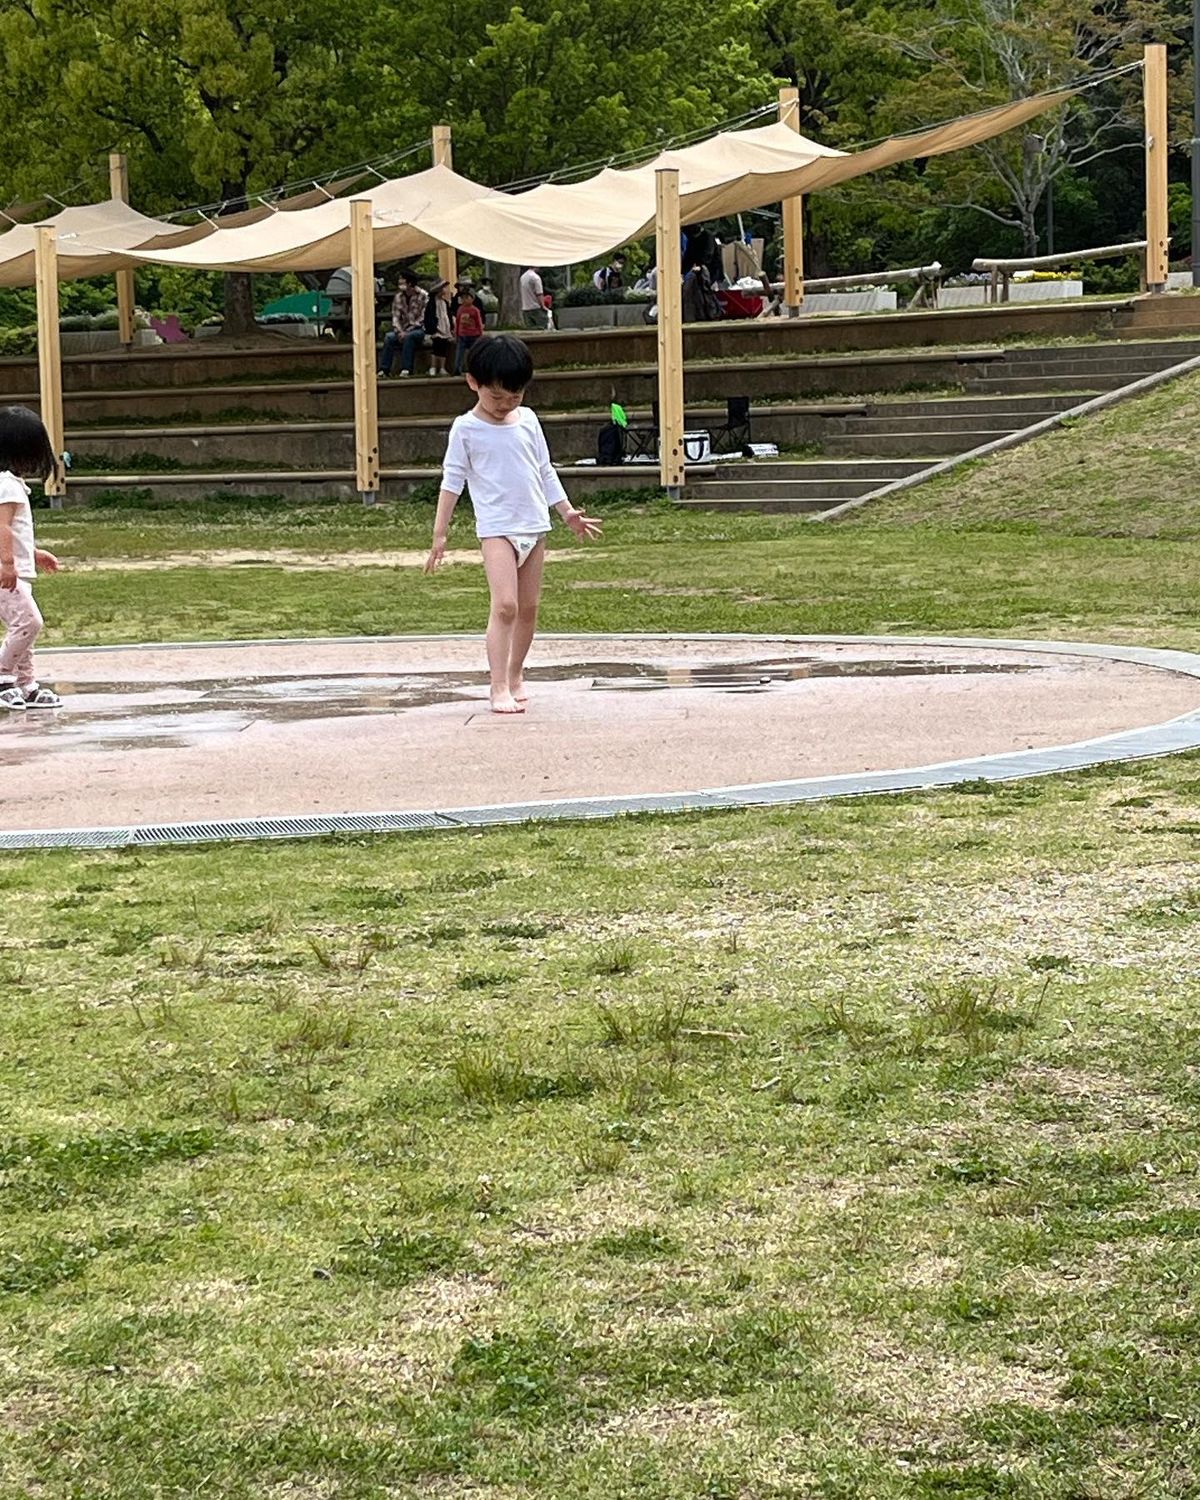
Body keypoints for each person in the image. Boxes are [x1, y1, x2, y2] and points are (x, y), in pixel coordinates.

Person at [424, 335, 601, 714]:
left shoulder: (529, 421)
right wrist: (440, 533)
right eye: (497, 398)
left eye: (514, 397)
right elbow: (452, 480)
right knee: (504, 605)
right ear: (473, 382)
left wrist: (566, 512)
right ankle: (497, 686)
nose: (505, 405)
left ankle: (516, 673)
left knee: (528, 607)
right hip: (497, 530)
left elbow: (544, 470)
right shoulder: (466, 428)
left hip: (534, 525)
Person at [0, 406, 62, 710]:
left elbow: (14, 532)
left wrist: (33, 554)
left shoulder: (12, 484)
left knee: (24, 628)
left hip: (18, 570)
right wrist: (7, 564)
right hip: (6, 573)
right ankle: (2, 677)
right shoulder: (7, 485)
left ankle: (26, 684)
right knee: (29, 623)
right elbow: (1, 527)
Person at [379, 269, 427, 378]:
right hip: (402, 329)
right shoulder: (398, 297)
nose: (400, 283)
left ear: (410, 283)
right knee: (389, 338)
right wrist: (399, 330)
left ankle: (406, 368)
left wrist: (408, 331)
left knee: (409, 337)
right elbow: (395, 317)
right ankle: (384, 369)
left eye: (402, 281)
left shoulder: (422, 295)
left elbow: (422, 318)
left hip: (418, 329)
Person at [403, 278, 453, 377]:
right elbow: (429, 317)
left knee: (443, 348)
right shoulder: (431, 303)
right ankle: (433, 366)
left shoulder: (445, 303)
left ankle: (442, 367)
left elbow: (448, 316)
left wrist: (451, 326)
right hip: (436, 329)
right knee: (435, 347)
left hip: (445, 328)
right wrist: (431, 329)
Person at [454, 289, 485, 374]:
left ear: (472, 299)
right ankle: (457, 368)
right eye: (462, 298)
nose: (464, 300)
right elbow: (457, 321)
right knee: (459, 352)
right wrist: (456, 333)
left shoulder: (475, 310)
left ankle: (474, 368)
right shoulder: (460, 309)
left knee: (474, 353)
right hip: (462, 335)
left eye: (467, 297)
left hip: (473, 335)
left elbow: (479, 322)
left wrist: (480, 334)